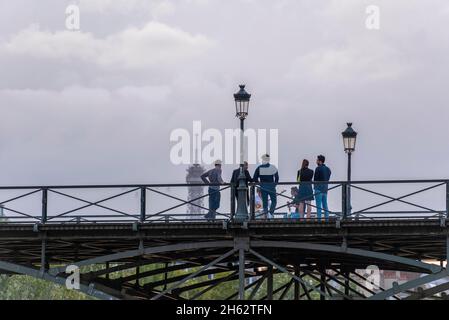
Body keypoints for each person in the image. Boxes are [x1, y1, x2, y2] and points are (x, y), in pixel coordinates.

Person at [253, 154, 279, 219]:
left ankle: (266, 215)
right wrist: (274, 185)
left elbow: (254, 178)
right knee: (274, 201)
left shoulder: (259, 168)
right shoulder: (273, 167)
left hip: (263, 187)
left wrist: (260, 184)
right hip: (271, 187)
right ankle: (271, 213)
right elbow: (277, 177)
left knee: (265, 203)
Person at [314, 155, 332, 222]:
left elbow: (315, 179)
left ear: (320, 161)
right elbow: (328, 178)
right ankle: (327, 219)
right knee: (325, 205)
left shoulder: (318, 168)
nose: (316, 161)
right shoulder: (328, 169)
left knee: (318, 205)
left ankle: (319, 220)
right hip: (325, 189)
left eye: (317, 160)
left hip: (318, 188)